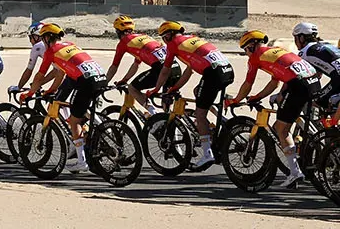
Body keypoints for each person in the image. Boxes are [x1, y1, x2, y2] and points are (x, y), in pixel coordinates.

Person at [228, 29, 318, 187]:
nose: (246, 54)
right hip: (312, 81)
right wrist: (258, 97)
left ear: (251, 47)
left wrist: (236, 100)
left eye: (245, 50)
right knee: (286, 121)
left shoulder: (255, 58)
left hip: (297, 86)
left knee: (281, 129)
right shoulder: (275, 52)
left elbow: (248, 84)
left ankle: (295, 172)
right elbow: (274, 83)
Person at [23, 22, 106, 173]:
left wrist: (29, 94)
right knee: (80, 107)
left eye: (43, 39)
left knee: (74, 120)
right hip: (99, 76)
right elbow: (61, 73)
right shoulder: (70, 44)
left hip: (86, 81)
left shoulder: (51, 52)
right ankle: (103, 129)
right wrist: (51, 90)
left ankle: (82, 161)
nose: (42, 42)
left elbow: (38, 77)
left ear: (48, 38)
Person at [158, 20, 234, 169]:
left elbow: (165, 70)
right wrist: (175, 87)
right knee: (197, 91)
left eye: (164, 37)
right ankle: (223, 121)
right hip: (227, 70)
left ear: (168, 36)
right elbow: (189, 70)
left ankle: (207, 154)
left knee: (200, 115)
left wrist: (156, 89)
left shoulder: (173, 44)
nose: (164, 41)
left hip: (213, 74)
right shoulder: (192, 39)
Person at [103, 16, 167, 113]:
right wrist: (125, 79)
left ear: (118, 31)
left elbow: (114, 66)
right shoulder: (143, 37)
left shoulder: (124, 42)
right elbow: (136, 64)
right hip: (173, 68)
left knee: (132, 88)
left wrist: (104, 83)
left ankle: (154, 114)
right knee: (167, 107)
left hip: (160, 69)